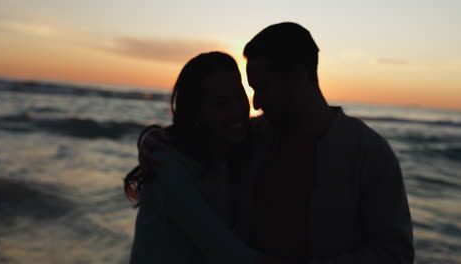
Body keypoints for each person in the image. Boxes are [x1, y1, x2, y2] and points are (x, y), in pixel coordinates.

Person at [138, 22, 415, 263]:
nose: (255, 103)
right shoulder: (255, 137)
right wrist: (151, 136)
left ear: (298, 77)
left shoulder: (367, 152)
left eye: (261, 87)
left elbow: (395, 253)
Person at [126, 52, 284, 264]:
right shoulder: (168, 163)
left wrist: (147, 134)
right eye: (221, 104)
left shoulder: (231, 146)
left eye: (239, 96)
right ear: (196, 111)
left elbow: (290, 117)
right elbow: (225, 250)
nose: (236, 111)